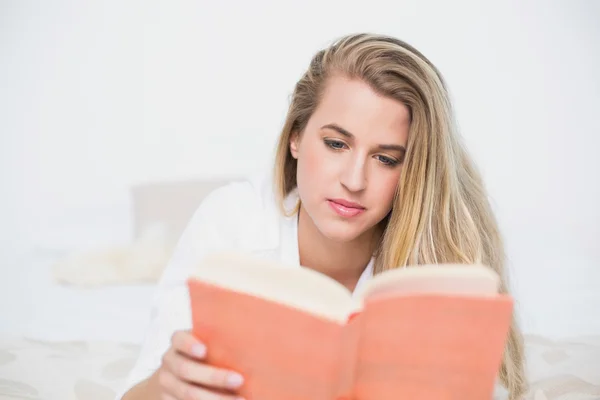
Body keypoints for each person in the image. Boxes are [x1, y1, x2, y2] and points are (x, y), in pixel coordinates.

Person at [118, 33, 527, 400]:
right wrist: (167, 384)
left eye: (386, 159)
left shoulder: (443, 252)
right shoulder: (230, 223)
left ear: (413, 171)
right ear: (295, 136)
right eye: (335, 144)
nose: (354, 180)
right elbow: (136, 393)